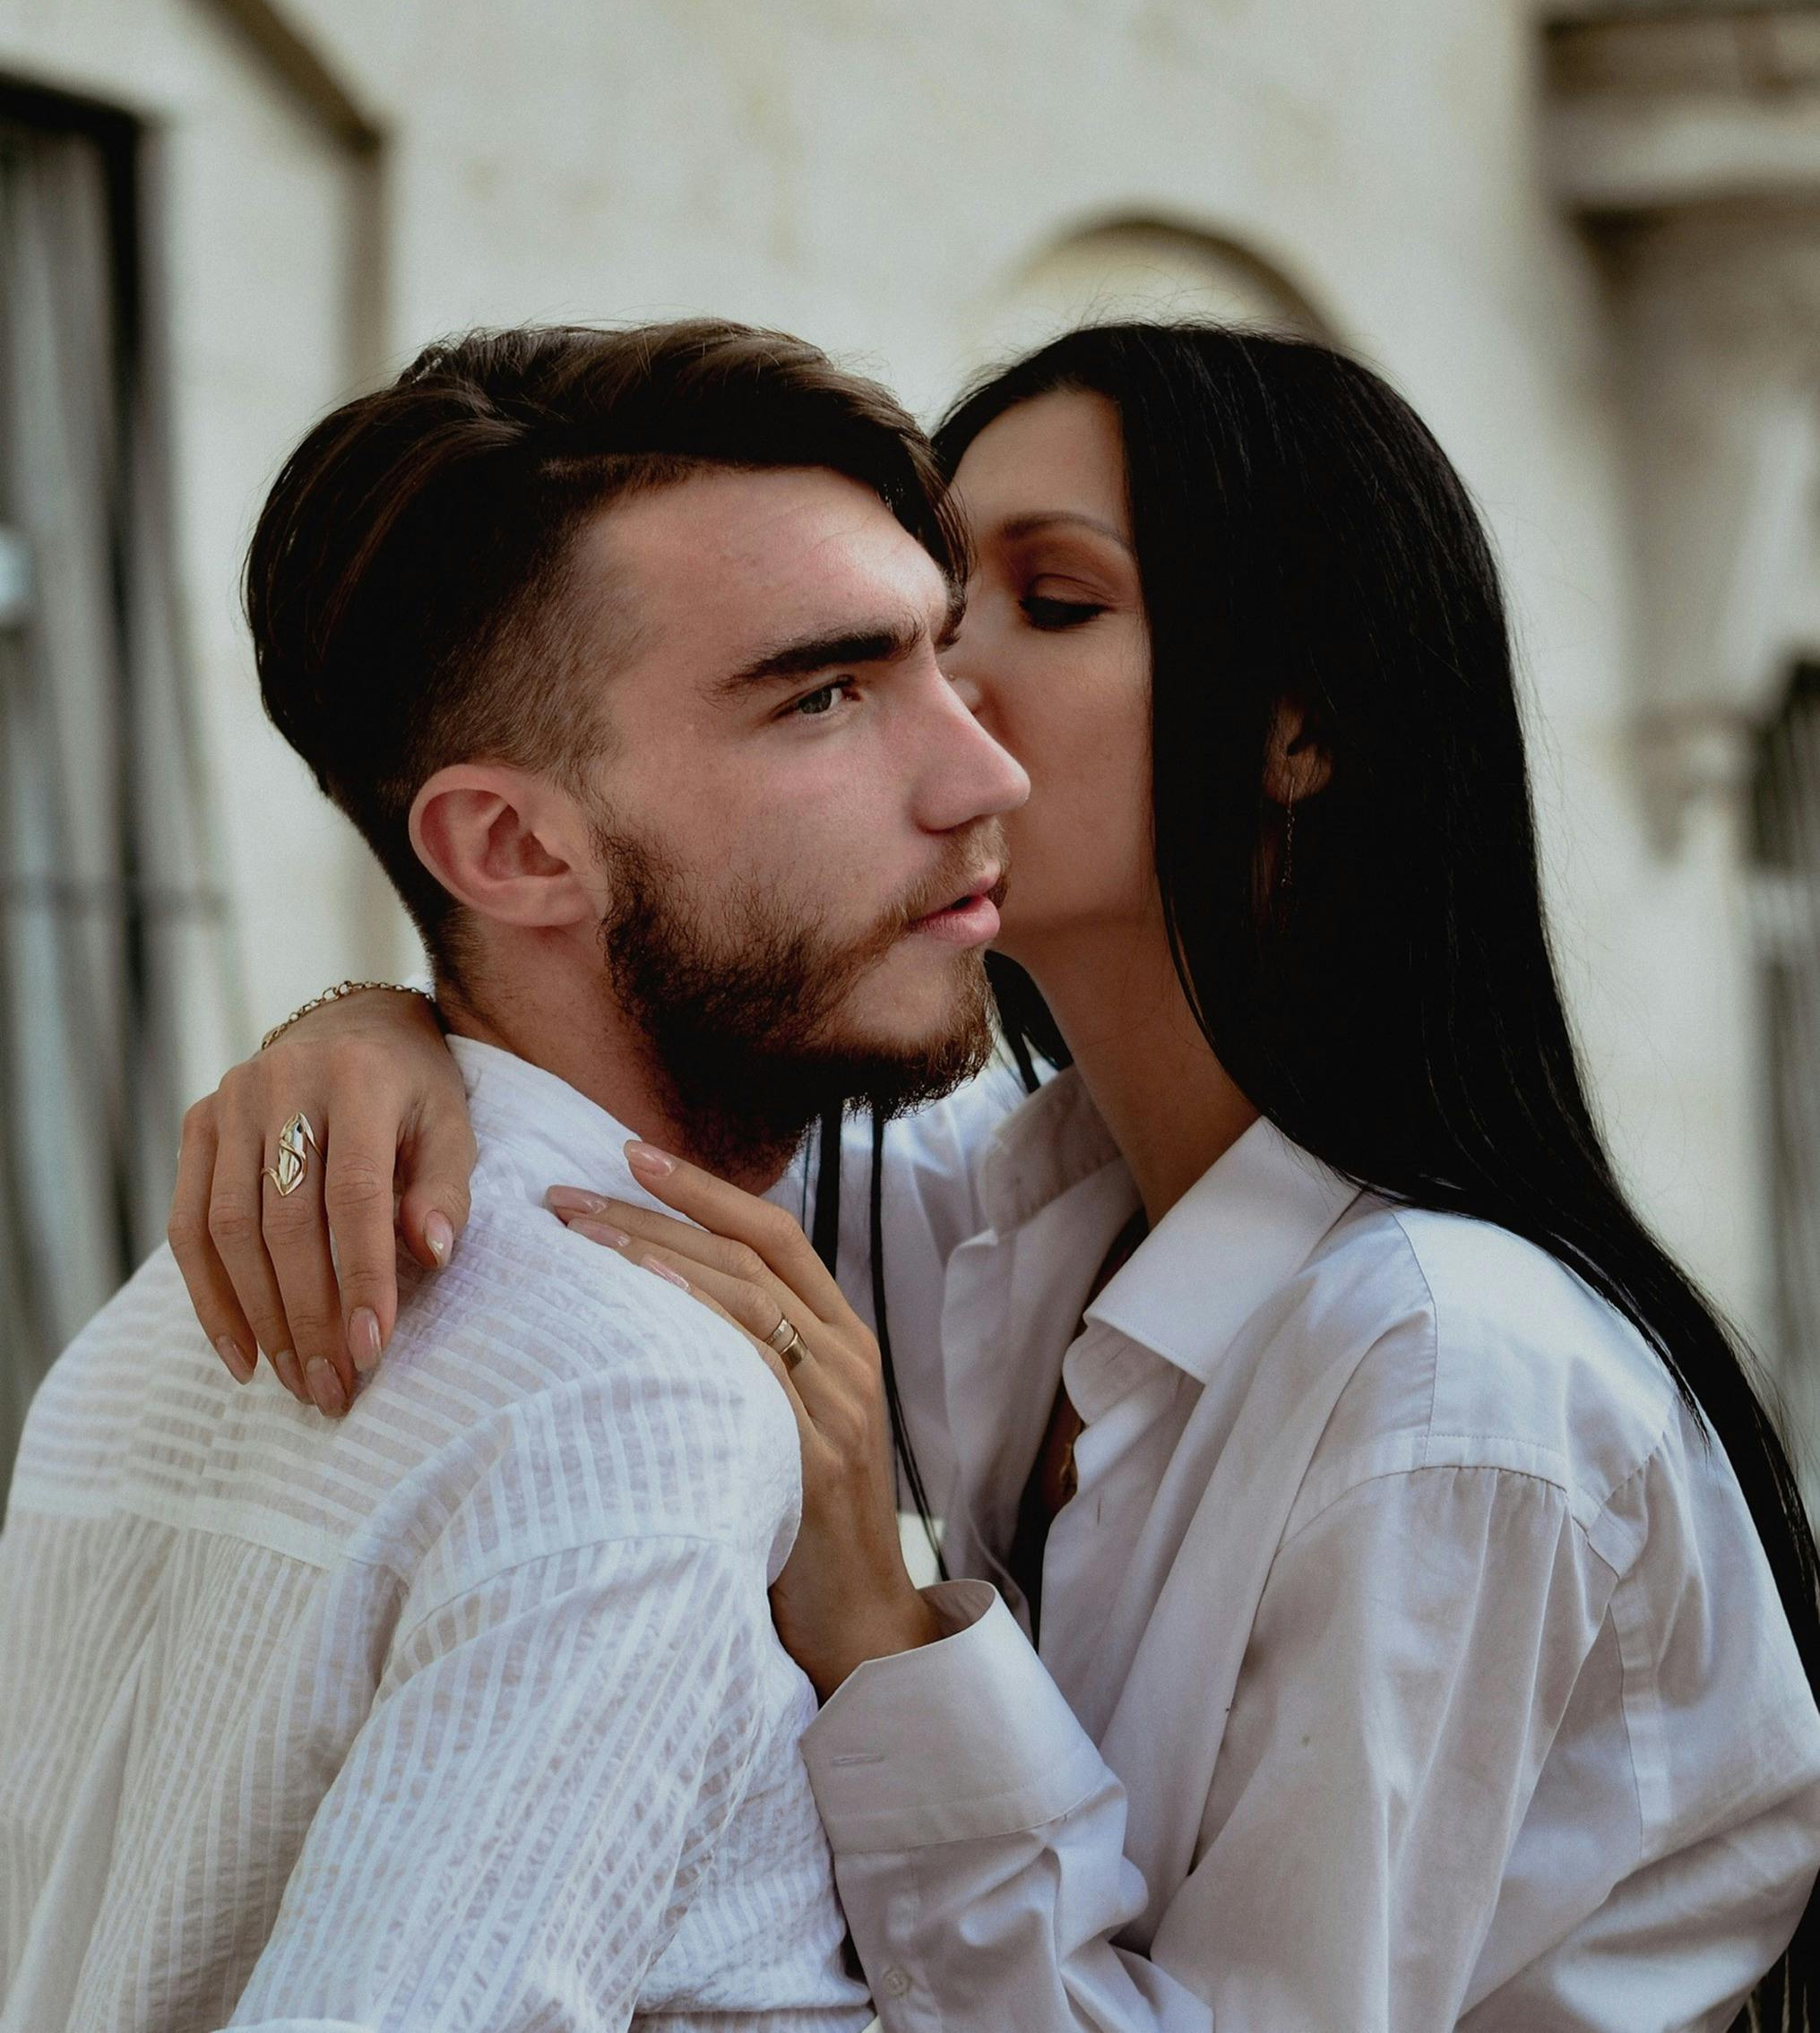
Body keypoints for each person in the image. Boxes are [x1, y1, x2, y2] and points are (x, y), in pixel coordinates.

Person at [173, 323, 1820, 2029]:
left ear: (1298, 728)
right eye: (895, 640)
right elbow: (603, 1086)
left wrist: (883, 1629)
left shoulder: (1452, 1389)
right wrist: (361, 1034)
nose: (950, 711)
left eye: (1055, 604)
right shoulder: (1009, 1210)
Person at [0, 318, 1033, 2031]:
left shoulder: (135, 1350)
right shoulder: (639, 1401)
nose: (982, 771)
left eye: (945, 657)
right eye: (827, 695)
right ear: (515, 847)